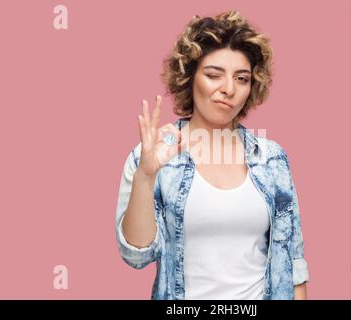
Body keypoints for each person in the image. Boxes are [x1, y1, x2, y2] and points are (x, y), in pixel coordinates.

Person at [115, 10, 310, 300]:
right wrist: (146, 176)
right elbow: (136, 256)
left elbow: (292, 264)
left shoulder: (271, 158)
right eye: (213, 75)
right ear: (190, 78)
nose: (228, 89)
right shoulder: (154, 156)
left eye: (241, 78)